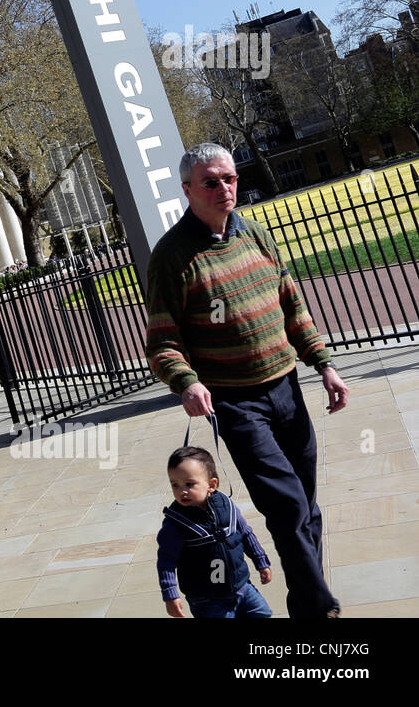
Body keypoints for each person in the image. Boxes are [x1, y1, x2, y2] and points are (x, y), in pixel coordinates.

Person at [145, 143, 349, 619]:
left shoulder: (256, 234)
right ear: (188, 190)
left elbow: (292, 307)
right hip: (235, 403)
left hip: (286, 388)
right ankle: (320, 611)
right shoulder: (172, 257)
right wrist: (186, 382)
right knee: (286, 505)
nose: (224, 188)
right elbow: (161, 341)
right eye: (211, 181)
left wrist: (324, 364)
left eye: (230, 178)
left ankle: (305, 603)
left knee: (306, 507)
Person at [157, 446, 272, 618]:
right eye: (175, 485)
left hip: (241, 587)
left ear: (211, 485)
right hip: (207, 600)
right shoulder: (175, 523)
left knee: (262, 614)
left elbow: (245, 533)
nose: (182, 491)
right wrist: (170, 594)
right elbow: (166, 561)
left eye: (189, 484)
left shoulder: (227, 506)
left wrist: (261, 560)